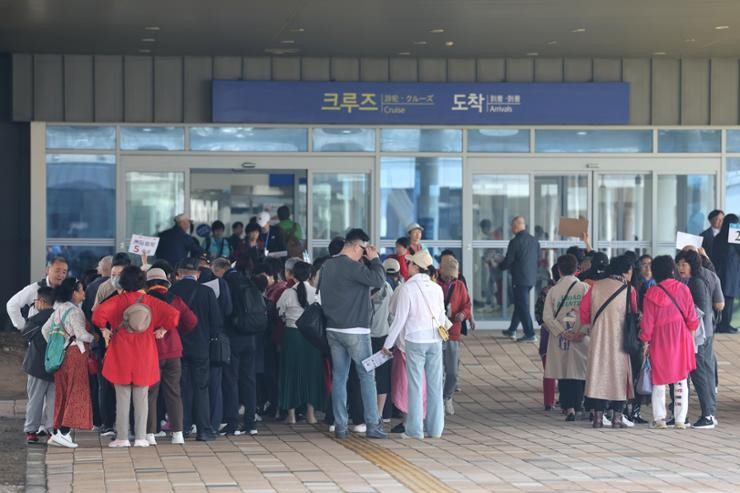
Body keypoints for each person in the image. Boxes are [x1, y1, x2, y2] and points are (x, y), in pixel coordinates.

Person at [93, 266, 180, 447]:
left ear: (122, 282)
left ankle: (123, 437)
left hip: (121, 352)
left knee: (122, 397)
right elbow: (174, 314)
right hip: (145, 352)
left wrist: (104, 330)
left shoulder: (117, 300)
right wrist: (163, 330)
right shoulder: (150, 301)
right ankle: (141, 438)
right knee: (142, 397)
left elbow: (97, 315)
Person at [320, 228, 387, 439]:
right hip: (356, 330)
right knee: (367, 376)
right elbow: (378, 280)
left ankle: (340, 426)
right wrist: (375, 259)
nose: (364, 254)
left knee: (339, 377)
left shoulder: (327, 265)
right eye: (364, 249)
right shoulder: (352, 267)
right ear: (357, 246)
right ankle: (373, 425)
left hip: (333, 329)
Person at [383, 250, 447, 439]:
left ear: (416, 267)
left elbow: (399, 319)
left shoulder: (407, 288)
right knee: (435, 386)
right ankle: (436, 429)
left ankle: (415, 430)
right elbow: (442, 316)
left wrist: (388, 343)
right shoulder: (437, 288)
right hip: (435, 339)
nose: (407, 265)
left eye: (410, 263)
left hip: (415, 340)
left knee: (416, 385)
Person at [640, 255, 699, 429]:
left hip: (660, 339)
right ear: (672, 270)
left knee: (659, 379)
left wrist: (645, 341)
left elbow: (647, 323)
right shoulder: (684, 289)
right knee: (681, 379)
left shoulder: (651, 293)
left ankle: (660, 419)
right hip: (681, 337)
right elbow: (692, 318)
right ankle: (680, 419)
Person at [580, 255, 637, 429]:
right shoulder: (629, 290)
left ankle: (598, 418)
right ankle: (617, 418)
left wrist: (589, 326)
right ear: (627, 271)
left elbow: (583, 310)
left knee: (599, 373)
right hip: (620, 339)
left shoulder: (596, 286)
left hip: (598, 337)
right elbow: (634, 312)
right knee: (619, 374)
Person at [169, 257, 222, 441]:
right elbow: (216, 321)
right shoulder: (206, 292)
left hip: (177, 347)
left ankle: (182, 428)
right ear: (197, 274)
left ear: (179, 274)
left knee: (181, 388)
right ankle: (204, 431)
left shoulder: (172, 291)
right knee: (201, 388)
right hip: (201, 347)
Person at [145, 267, 198, 445]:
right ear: (165, 282)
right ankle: (178, 434)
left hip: (152, 351)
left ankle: (150, 434)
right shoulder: (175, 299)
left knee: (151, 393)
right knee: (174, 393)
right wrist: (176, 331)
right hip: (174, 351)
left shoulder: (144, 300)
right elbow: (191, 321)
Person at [42, 278, 94, 448]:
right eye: (81, 290)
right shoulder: (75, 312)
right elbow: (81, 334)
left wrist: (57, 345)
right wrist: (95, 338)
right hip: (75, 355)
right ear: (74, 293)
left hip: (61, 356)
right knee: (76, 392)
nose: (84, 294)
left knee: (63, 393)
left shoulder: (59, 309)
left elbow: (45, 329)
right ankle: (64, 433)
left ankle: (57, 432)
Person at [213, 258, 262, 436]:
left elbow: (225, 310)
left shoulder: (224, 283)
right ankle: (251, 423)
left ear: (219, 270)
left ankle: (232, 423)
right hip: (251, 337)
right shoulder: (247, 279)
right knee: (249, 380)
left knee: (231, 380)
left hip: (233, 337)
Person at [276, 261, 326, 424]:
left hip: (292, 336)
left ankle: (291, 416)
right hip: (312, 338)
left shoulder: (287, 293)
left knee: (291, 373)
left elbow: (280, 313)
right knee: (312, 373)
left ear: (293, 275)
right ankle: (311, 415)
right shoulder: (316, 293)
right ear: (310, 275)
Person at [543, 255, 590, 421]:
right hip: (580, 337)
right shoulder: (584, 288)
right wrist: (581, 332)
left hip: (560, 338)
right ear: (577, 269)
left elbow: (547, 317)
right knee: (580, 371)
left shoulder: (553, 291)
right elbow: (590, 313)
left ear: (559, 270)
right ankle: (581, 405)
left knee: (563, 371)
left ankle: (568, 407)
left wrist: (562, 332)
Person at [675, 250, 719, 429]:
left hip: (699, 335)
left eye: (684, 264)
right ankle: (710, 412)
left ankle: (707, 415)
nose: (680, 268)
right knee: (705, 372)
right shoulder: (698, 279)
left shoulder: (696, 282)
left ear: (693, 265)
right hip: (704, 332)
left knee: (700, 373)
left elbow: (700, 309)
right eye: (679, 264)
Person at [20, 286, 56, 444]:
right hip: (56, 364)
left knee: (35, 399)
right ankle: (51, 429)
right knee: (53, 399)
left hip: (36, 365)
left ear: (41, 302)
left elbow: (25, 333)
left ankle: (31, 430)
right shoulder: (58, 317)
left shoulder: (36, 319)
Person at [437, 256, 471, 416]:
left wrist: (463, 315)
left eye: (453, 275)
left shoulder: (460, 286)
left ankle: (447, 397)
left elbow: (467, 304)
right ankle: (436, 399)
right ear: (440, 270)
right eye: (447, 274)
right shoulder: (433, 282)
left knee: (452, 371)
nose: (450, 278)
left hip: (453, 331)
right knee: (435, 369)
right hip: (436, 332)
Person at [498, 216, 540, 342]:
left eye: (512, 225)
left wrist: (499, 266)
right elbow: (537, 257)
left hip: (519, 278)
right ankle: (512, 330)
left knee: (523, 306)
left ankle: (530, 334)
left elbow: (509, 261)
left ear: (517, 225)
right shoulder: (534, 241)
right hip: (531, 278)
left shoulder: (515, 241)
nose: (511, 228)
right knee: (519, 304)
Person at [7, 256, 68, 331]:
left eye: (64, 272)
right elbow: (12, 304)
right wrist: (22, 326)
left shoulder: (66, 292)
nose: (61, 275)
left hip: (57, 338)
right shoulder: (35, 288)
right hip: (36, 337)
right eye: (57, 271)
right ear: (47, 270)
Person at [368, 269, 394, 425]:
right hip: (383, 337)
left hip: (365, 336)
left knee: (365, 375)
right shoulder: (387, 287)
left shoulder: (364, 286)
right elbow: (391, 314)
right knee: (382, 375)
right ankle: (381, 413)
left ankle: (369, 412)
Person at [709, 213, 740, 333]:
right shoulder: (731, 239)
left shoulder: (718, 237)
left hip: (724, 273)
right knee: (727, 299)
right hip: (729, 274)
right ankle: (724, 325)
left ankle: (726, 323)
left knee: (727, 298)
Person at [534, 266, 558, 411]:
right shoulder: (572, 290)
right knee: (565, 370)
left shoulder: (545, 292)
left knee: (549, 371)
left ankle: (549, 402)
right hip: (564, 336)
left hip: (547, 336)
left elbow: (539, 316)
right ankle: (566, 401)